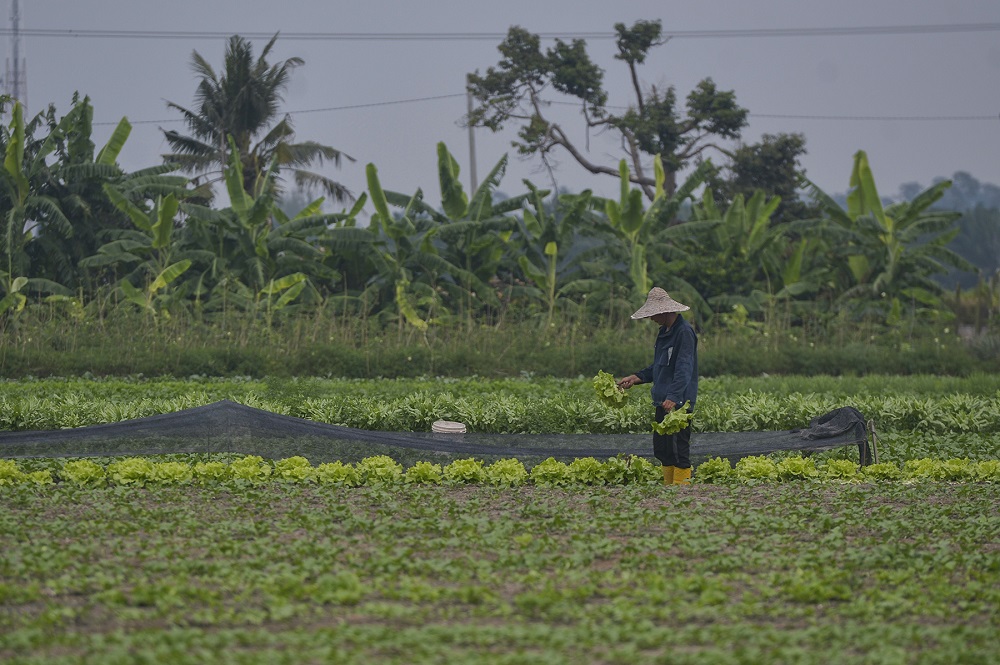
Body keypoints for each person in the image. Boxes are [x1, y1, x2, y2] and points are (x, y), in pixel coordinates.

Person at [618, 287, 698, 485]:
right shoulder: (664, 332)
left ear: (664, 311)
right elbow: (660, 366)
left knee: (678, 450)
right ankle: (669, 489)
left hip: (677, 403)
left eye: (653, 314)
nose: (651, 318)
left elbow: (684, 368)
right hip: (663, 400)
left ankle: (681, 491)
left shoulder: (684, 332)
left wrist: (674, 396)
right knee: (662, 450)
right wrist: (637, 377)